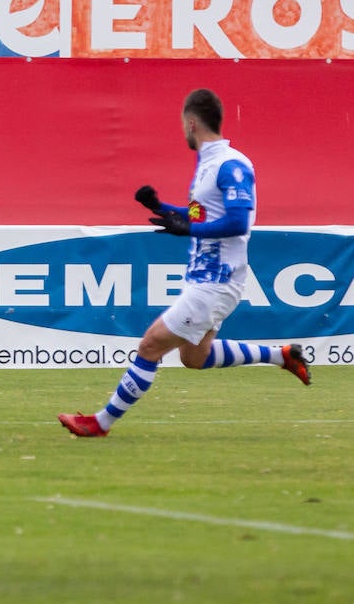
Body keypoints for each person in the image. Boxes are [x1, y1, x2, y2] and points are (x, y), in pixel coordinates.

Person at [58, 89, 310, 438]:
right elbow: (202, 214)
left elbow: (239, 223)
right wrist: (162, 208)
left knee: (149, 346)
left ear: (191, 123)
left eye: (182, 125)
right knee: (195, 357)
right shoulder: (208, 165)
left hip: (216, 281)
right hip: (207, 280)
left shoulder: (230, 165)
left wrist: (188, 227)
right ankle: (282, 356)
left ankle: (100, 423)